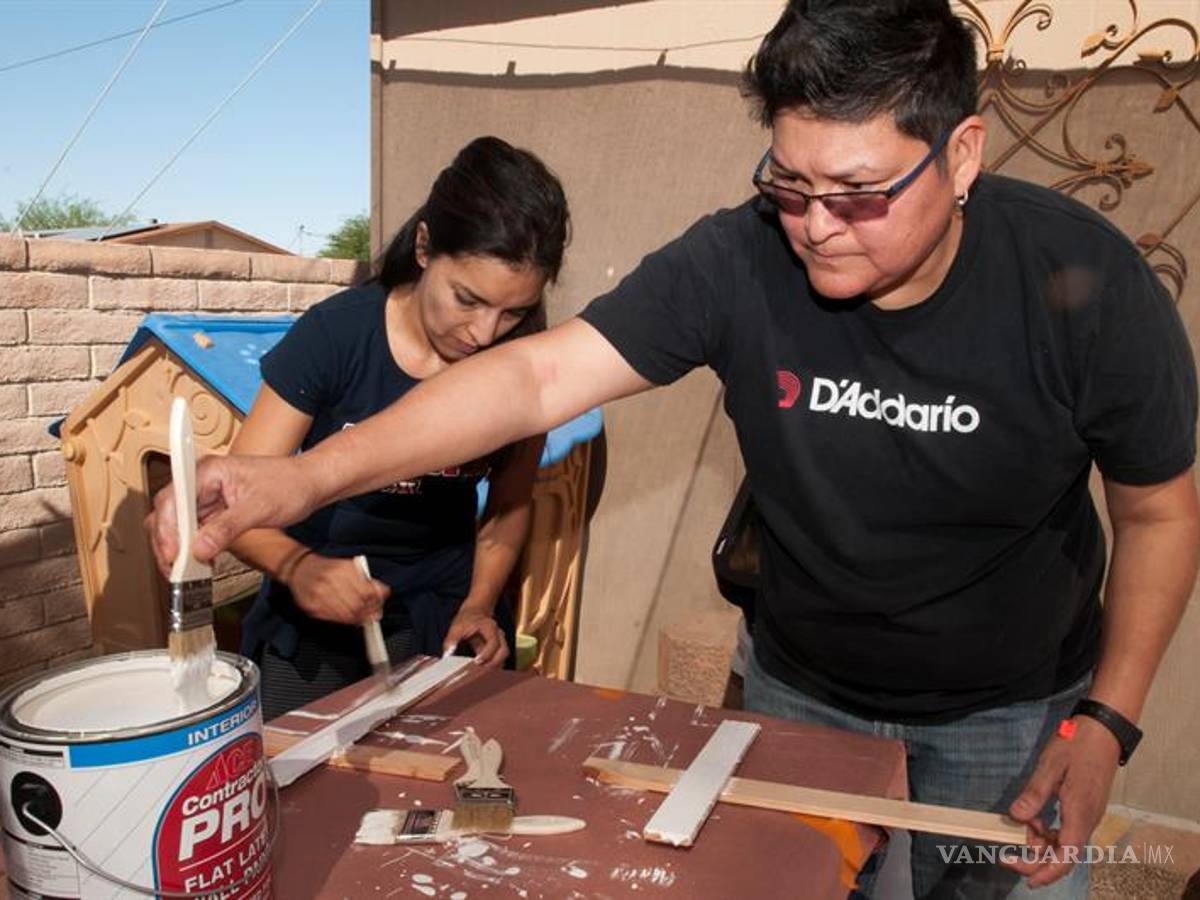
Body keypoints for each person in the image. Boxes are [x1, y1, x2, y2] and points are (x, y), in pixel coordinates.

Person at [150, 2, 1198, 896]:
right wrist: (298, 475)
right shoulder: (739, 256)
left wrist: (1103, 724)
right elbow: (535, 378)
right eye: (790, 185)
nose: (819, 226)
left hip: (1012, 708)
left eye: (859, 193)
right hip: (800, 687)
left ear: (961, 154)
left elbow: (1159, 510)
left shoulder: (1083, 285)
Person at [217, 136, 568, 719]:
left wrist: (480, 602)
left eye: (511, 312)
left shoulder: (522, 357)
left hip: (441, 611)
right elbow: (235, 507)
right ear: (426, 246)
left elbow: (508, 506)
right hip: (316, 612)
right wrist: (298, 567)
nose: (484, 334)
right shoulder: (335, 337)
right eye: (467, 299)